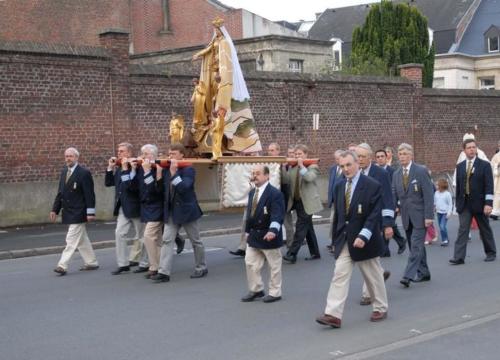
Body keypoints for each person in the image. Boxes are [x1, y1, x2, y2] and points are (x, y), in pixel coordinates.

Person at [315, 150, 388, 328]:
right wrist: (335, 240)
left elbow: (374, 214)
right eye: (342, 166)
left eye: (348, 165)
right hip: (345, 240)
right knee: (339, 275)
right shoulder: (339, 186)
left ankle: (380, 307)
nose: (346, 169)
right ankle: (333, 314)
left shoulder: (372, 185)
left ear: (357, 163)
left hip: (366, 240)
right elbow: (339, 215)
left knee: (373, 276)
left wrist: (364, 235)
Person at [153, 144, 208, 282]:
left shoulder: (189, 170)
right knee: (167, 241)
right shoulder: (166, 169)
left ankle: (201, 267)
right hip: (172, 212)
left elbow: (184, 187)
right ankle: (163, 272)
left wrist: (173, 173)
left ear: (181, 155)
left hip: (187, 211)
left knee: (196, 241)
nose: (170, 156)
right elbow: (159, 191)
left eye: (173, 154)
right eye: (169, 154)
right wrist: (159, 173)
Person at [241, 165, 285, 303]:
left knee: (274, 266)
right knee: (250, 263)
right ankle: (256, 290)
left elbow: (277, 214)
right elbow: (250, 214)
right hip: (254, 235)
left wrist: (273, 230)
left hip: (269, 234)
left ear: (267, 176)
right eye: (253, 173)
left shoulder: (275, 194)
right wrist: (247, 231)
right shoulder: (252, 192)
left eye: (258, 173)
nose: (255, 176)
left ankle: (275, 292)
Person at [51, 147, 99, 276]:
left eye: (71, 156)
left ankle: (62, 265)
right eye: (66, 156)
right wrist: (55, 209)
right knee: (81, 239)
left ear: (77, 157)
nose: (68, 158)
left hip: (79, 211)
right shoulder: (64, 172)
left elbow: (90, 194)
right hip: (68, 211)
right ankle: (91, 262)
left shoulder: (84, 173)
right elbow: (60, 193)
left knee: (71, 239)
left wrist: (90, 212)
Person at [392, 143, 434, 288]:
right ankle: (424, 272)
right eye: (400, 153)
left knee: (416, 246)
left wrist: (429, 216)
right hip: (406, 217)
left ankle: (407, 275)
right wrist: (390, 213)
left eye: (405, 153)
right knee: (414, 246)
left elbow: (429, 195)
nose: (402, 156)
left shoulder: (420, 171)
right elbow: (394, 195)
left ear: (411, 155)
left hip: (421, 216)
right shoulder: (396, 174)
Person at [450, 139, 496, 264]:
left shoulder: (484, 165)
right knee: (463, 230)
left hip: (480, 204)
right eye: (469, 147)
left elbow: (489, 186)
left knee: (484, 229)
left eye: (474, 147)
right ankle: (458, 257)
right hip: (465, 204)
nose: (472, 149)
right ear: (464, 150)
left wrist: (488, 204)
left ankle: (491, 252)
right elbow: (459, 187)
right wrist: (457, 205)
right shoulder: (460, 167)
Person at [105, 142, 149, 275]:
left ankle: (145, 263)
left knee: (142, 236)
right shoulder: (120, 167)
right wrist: (109, 168)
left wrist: (126, 169)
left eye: (122, 151)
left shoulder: (137, 166)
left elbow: (132, 186)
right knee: (119, 233)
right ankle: (123, 264)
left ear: (129, 153)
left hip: (136, 207)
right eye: (118, 151)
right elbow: (109, 183)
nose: (119, 153)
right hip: (123, 207)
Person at [282, 144, 322, 263]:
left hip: (308, 202)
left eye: (300, 154)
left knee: (300, 228)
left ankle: (292, 254)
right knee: (308, 228)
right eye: (296, 154)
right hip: (297, 202)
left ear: (305, 155)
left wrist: (301, 165)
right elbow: (286, 181)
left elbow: (309, 178)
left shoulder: (313, 166)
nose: (297, 156)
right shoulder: (292, 167)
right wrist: (283, 168)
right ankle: (315, 253)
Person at [135, 144, 164, 279]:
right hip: (146, 208)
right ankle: (160, 266)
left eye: (146, 154)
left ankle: (154, 266)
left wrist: (147, 172)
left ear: (154, 155)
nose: (143, 157)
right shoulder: (142, 168)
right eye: (142, 154)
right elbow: (135, 187)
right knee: (157, 240)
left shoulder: (159, 168)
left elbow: (155, 191)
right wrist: (132, 170)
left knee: (148, 236)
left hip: (157, 207)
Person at [375, 148, 406, 254]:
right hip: (379, 203)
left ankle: (385, 250)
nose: (380, 159)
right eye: (378, 157)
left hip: (391, 203)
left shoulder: (392, 171)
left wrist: (396, 204)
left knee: (386, 224)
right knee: (389, 224)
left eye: (382, 156)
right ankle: (401, 241)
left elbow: (396, 188)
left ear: (386, 157)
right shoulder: (375, 171)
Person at [327, 150, 344, 253]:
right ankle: (332, 241)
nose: (337, 161)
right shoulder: (333, 169)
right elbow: (331, 184)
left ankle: (336, 242)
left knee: (336, 221)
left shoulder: (345, 169)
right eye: (335, 159)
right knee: (332, 221)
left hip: (342, 200)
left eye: (338, 159)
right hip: (334, 201)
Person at [434, 178, 453, 247]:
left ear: (441, 185)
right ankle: (446, 238)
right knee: (441, 227)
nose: (436, 186)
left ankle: (445, 240)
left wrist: (449, 213)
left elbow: (450, 204)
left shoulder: (447, 194)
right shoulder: (436, 193)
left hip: (445, 213)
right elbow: (435, 202)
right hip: (439, 212)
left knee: (442, 226)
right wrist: (435, 207)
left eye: (437, 185)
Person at [490, 147, 500, 220]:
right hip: (498, 179)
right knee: (497, 195)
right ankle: (495, 212)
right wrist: (497, 165)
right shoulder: (496, 156)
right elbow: (492, 165)